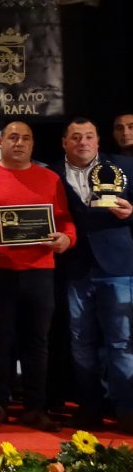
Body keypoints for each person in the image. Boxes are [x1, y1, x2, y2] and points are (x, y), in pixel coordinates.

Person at [0, 121, 74, 431]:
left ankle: (35, 407)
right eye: (13, 137)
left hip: (39, 272)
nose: (19, 143)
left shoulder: (51, 178)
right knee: (0, 341)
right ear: (0, 142)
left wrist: (67, 240)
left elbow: (66, 222)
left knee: (37, 343)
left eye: (26, 138)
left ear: (33, 144)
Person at [57, 118, 133, 433]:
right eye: (76, 137)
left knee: (122, 342)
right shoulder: (49, 173)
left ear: (98, 141)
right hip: (74, 268)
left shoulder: (125, 166)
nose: (83, 142)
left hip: (118, 266)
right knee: (80, 343)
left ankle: (127, 410)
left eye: (89, 136)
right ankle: (90, 409)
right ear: (65, 142)